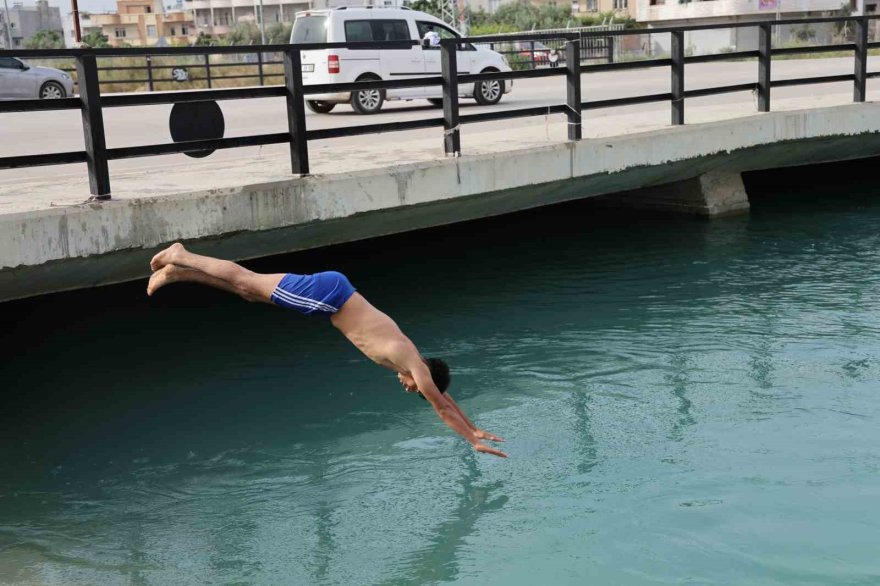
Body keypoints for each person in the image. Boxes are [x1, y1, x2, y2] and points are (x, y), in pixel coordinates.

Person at [147, 243, 507, 458]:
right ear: (423, 379)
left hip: (329, 299)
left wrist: (476, 427)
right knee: (246, 280)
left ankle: (179, 274)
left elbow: (446, 399)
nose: (408, 389)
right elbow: (441, 406)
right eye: (416, 390)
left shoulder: (416, 364)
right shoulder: (415, 368)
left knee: (247, 292)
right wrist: (470, 440)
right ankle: (183, 255)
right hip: (330, 297)